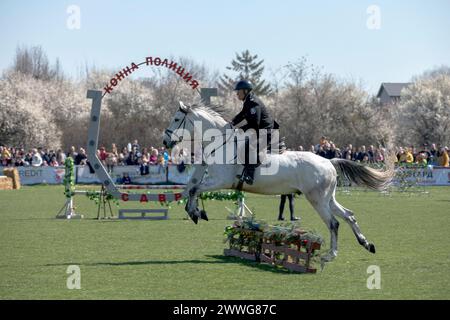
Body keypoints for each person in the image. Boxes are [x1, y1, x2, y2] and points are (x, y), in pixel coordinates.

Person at [231, 80, 274, 185]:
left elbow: (254, 124)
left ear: (245, 91)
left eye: (238, 91)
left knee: (249, 148)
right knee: (242, 148)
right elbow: (242, 115)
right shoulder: (247, 102)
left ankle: (250, 175)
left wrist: (239, 129)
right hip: (258, 132)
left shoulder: (253, 102)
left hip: (264, 133)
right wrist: (231, 123)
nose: (237, 93)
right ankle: (245, 172)